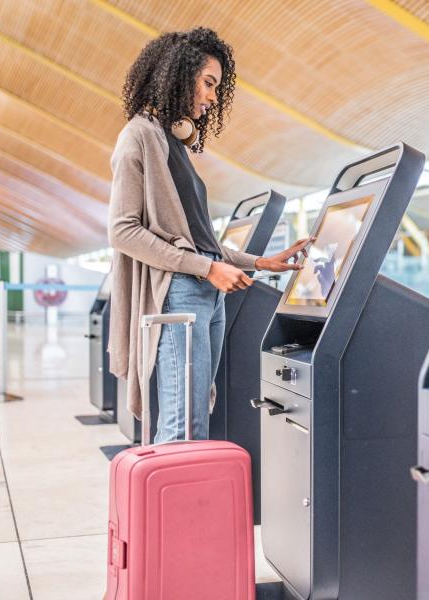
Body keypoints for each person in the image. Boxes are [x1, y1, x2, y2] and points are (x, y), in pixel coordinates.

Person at [108, 27, 310, 443]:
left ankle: (182, 506)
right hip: (181, 290)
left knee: (196, 413)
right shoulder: (138, 137)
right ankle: (168, 509)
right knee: (183, 423)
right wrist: (206, 269)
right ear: (178, 76)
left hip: (203, 290)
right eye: (208, 83)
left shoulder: (173, 143)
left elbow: (200, 240)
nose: (213, 96)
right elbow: (123, 231)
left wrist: (259, 262)